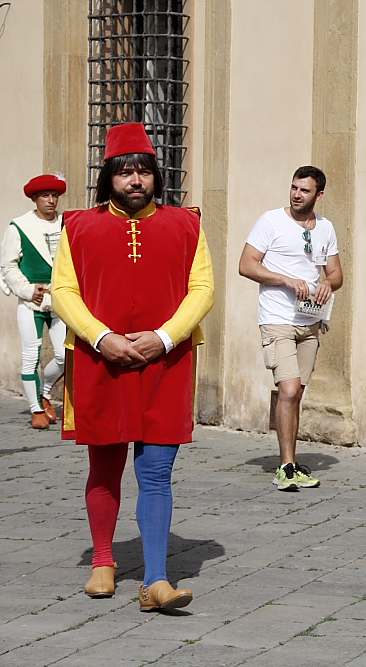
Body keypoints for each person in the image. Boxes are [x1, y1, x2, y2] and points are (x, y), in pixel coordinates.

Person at [51, 122, 214, 612]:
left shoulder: (188, 224)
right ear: (109, 178)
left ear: (155, 177)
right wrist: (102, 338)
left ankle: (157, 579)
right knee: (104, 465)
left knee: (158, 471)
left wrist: (164, 337)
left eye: (144, 171)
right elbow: (64, 291)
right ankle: (104, 560)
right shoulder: (77, 226)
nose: (136, 180)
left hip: (167, 362)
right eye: (126, 173)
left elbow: (202, 289)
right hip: (102, 363)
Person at [238, 166, 343, 491]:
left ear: (319, 195)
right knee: (288, 389)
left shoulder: (325, 228)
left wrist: (327, 284)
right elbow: (247, 265)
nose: (297, 194)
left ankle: (292, 462)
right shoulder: (271, 221)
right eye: (294, 188)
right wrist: (285, 279)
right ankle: (285, 466)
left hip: (310, 321)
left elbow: (337, 273)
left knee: (296, 393)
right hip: (277, 319)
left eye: (305, 190)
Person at [1, 174, 68, 429]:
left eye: (54, 196)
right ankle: (36, 408)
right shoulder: (19, 226)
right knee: (31, 355)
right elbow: (8, 265)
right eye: (45, 196)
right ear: (35, 199)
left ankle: (45, 392)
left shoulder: (66, 223)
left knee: (64, 355)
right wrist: (28, 290)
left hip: (60, 297)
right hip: (31, 301)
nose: (51, 201)